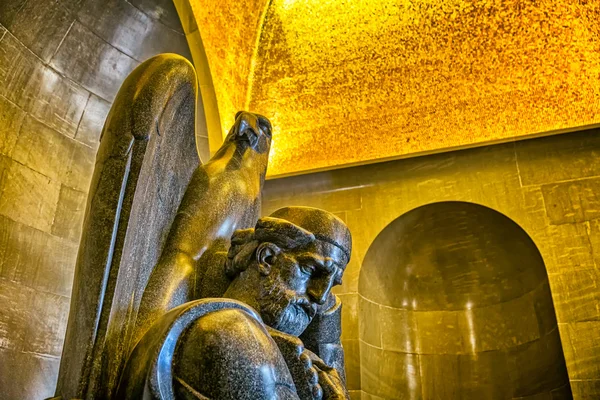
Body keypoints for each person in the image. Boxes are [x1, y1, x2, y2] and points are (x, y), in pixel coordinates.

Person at [117, 207, 352, 400]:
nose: (320, 296)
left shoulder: (261, 339)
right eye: (310, 270)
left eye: (331, 285)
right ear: (267, 258)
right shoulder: (233, 333)